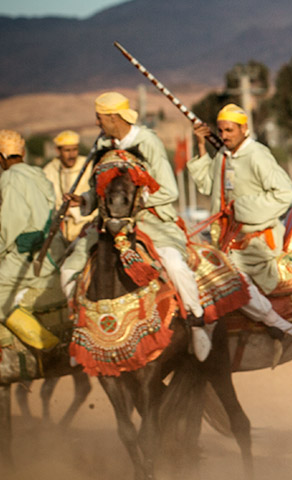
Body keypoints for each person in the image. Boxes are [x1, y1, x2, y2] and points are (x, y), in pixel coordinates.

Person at [60, 92, 211, 356]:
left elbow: (169, 190)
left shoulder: (147, 141)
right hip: (108, 223)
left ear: (113, 117)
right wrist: (83, 200)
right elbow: (100, 190)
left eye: (99, 118)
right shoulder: (103, 146)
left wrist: (134, 200)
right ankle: (81, 327)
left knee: (174, 263)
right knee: (68, 269)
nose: (97, 123)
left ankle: (197, 321)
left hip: (149, 220)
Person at [189, 103, 292, 337]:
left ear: (244, 129)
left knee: (229, 281)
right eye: (220, 131)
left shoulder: (257, 155)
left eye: (229, 130)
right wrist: (200, 145)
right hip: (227, 240)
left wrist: (241, 208)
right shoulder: (222, 155)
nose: (224, 136)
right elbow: (209, 186)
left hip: (256, 244)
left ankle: (276, 322)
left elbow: (284, 193)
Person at [0, 130, 63, 349]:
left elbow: (16, 220)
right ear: (24, 153)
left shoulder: (10, 177)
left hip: (31, 252)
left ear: (0, 158)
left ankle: (46, 344)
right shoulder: (37, 173)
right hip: (53, 247)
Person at [43, 130, 96, 242]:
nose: (71, 155)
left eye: (74, 150)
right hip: (58, 230)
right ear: (58, 150)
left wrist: (73, 212)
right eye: (67, 150)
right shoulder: (49, 171)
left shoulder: (88, 167)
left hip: (87, 227)